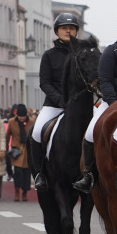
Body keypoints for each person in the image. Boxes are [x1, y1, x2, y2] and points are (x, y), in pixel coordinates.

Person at [73, 7, 117, 193]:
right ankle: (89, 174)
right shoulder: (113, 51)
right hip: (113, 101)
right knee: (91, 131)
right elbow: (105, 80)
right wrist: (114, 103)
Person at [29, 12, 80, 192]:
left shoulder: (82, 53)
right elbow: (45, 83)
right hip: (54, 104)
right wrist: (61, 100)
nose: (68, 31)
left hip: (79, 106)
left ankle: (91, 172)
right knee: (35, 132)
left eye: (72, 28)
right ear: (57, 31)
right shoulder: (49, 55)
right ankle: (40, 173)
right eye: (64, 28)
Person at [7, 104, 32, 201]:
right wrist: (5, 148)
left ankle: (25, 193)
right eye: (20, 116)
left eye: (23, 116)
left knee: (27, 174)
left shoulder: (31, 122)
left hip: (27, 152)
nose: (22, 118)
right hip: (17, 151)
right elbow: (8, 135)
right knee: (17, 173)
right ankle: (17, 191)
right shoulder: (12, 122)